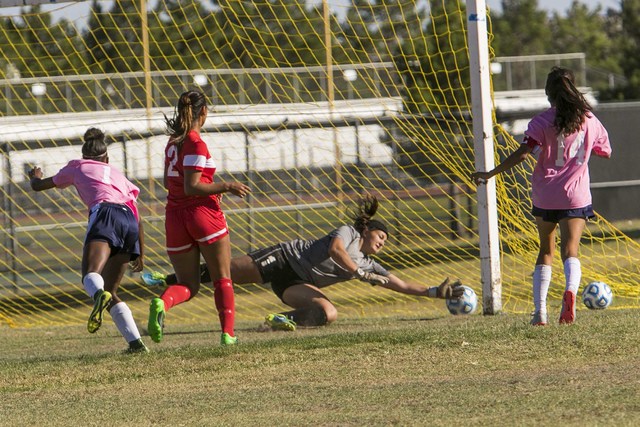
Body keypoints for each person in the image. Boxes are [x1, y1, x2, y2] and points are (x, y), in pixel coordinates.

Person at [142, 195, 465, 331]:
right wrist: (360, 274)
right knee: (220, 272)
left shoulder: (368, 263)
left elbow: (402, 284)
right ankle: (166, 280)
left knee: (329, 313)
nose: (382, 244)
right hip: (283, 257)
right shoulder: (350, 233)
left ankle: (279, 321)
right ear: (368, 230)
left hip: (292, 283)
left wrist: (436, 292)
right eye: (381, 238)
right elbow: (337, 251)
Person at [471, 66, 612, 326]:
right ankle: (570, 291)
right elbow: (606, 151)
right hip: (575, 196)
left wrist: (491, 173)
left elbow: (524, 152)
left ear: (549, 93)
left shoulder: (542, 122)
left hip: (546, 194)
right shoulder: (590, 120)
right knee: (570, 250)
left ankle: (540, 313)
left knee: (545, 249)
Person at [29, 127, 149, 353]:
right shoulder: (118, 175)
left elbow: (39, 186)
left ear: (85, 156)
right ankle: (136, 344)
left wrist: (34, 177)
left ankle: (97, 295)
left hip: (105, 214)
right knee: (111, 291)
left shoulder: (77, 166)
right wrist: (140, 252)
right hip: (129, 221)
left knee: (90, 276)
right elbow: (138, 217)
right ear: (107, 158)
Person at [148, 90, 251, 346]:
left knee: (188, 284)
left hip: (174, 217)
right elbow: (191, 186)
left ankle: (163, 301)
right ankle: (228, 334)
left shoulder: (173, 143)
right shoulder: (196, 143)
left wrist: (208, 185)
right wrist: (225, 186)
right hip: (202, 215)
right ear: (203, 112)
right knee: (222, 277)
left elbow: (169, 182)